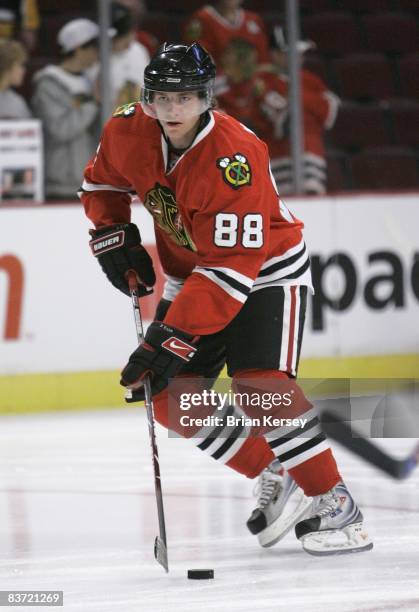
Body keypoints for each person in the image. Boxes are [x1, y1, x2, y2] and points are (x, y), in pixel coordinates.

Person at [80, 42, 373, 556]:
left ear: (206, 99)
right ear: (145, 99)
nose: (174, 109)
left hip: (264, 270)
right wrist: (113, 232)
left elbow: (231, 272)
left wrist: (169, 336)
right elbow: (100, 183)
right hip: (195, 273)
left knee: (261, 384)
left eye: (187, 97)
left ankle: (336, 502)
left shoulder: (234, 157)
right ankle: (274, 470)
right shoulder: (125, 129)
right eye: (163, 98)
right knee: (168, 394)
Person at [261, 28, 340, 195]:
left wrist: (295, 97)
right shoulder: (264, 81)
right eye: (293, 53)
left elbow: (329, 113)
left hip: (313, 161)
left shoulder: (310, 79)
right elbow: (281, 124)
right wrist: (311, 105)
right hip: (279, 164)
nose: (300, 58)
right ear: (275, 55)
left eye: (301, 53)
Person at [31, 18, 102, 200]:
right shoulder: (48, 84)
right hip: (60, 184)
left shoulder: (90, 80)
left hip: (88, 182)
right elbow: (60, 129)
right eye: (94, 46)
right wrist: (92, 103)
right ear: (78, 48)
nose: (98, 52)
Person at [87, 2, 149, 110]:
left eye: (131, 32)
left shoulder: (138, 50)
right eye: (123, 37)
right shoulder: (92, 58)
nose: (130, 40)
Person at [183, 0, 270, 68]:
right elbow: (197, 56)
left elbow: (263, 60)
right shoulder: (201, 19)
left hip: (252, 80)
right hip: (216, 81)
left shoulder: (254, 19)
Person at [0, 39, 32, 118]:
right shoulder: (17, 103)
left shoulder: (17, 102)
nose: (24, 71)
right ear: (8, 65)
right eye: (20, 65)